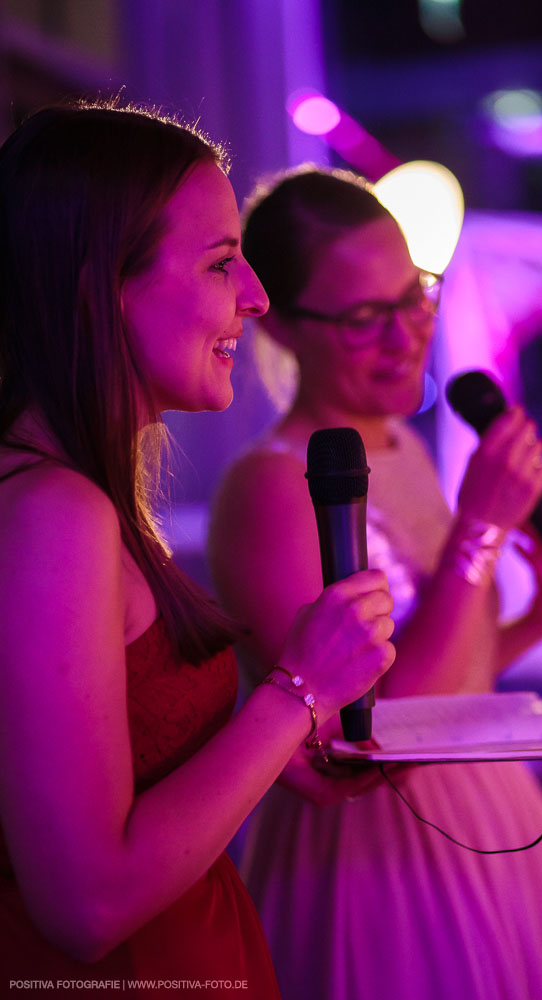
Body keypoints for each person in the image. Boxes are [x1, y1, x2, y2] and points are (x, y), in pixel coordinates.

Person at [0, 107, 396, 997]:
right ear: (102, 289)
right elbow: (86, 902)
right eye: (222, 264)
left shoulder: (77, 492)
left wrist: (244, 747)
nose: (254, 297)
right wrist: (296, 694)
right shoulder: (52, 511)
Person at [208, 166, 542, 1000]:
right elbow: (377, 730)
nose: (406, 335)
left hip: (489, 813)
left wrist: (534, 622)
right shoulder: (270, 487)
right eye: (364, 317)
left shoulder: (401, 446)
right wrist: (478, 531)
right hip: (377, 852)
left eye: (414, 295)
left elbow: (452, 674)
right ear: (279, 326)